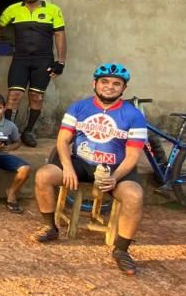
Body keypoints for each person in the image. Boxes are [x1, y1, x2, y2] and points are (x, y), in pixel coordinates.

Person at [32, 63, 147, 276]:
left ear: (124, 88)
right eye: (104, 82)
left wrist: (115, 177)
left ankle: (121, 250)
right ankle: (50, 227)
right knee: (43, 175)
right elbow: (62, 141)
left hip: (116, 168)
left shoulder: (134, 116)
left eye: (116, 84)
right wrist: (67, 166)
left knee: (135, 195)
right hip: (81, 163)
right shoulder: (79, 107)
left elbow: (133, 156)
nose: (110, 86)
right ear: (94, 83)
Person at [0, 0, 67, 147]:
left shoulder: (53, 10)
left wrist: (61, 61)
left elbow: (60, 35)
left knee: (36, 97)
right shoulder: (12, 9)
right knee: (14, 96)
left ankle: (28, 131)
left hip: (43, 59)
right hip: (20, 59)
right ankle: (9, 132)